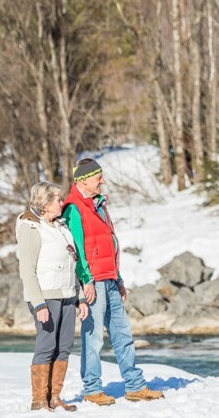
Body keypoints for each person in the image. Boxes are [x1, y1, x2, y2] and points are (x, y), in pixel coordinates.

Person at [63, 157, 164, 405]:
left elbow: (110, 243)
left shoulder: (99, 204)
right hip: (93, 282)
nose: (103, 182)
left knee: (123, 334)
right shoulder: (74, 208)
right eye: (98, 178)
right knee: (93, 338)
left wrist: (118, 278)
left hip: (109, 278)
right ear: (84, 180)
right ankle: (92, 388)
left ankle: (135, 386)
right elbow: (77, 249)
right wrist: (86, 280)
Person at [16, 182, 89, 411]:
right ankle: (39, 400)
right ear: (46, 203)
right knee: (47, 345)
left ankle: (54, 397)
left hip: (67, 294)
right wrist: (39, 304)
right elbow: (27, 270)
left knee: (64, 346)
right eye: (58, 200)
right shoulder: (31, 228)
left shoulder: (61, 227)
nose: (62, 203)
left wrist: (80, 298)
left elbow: (71, 263)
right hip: (45, 296)